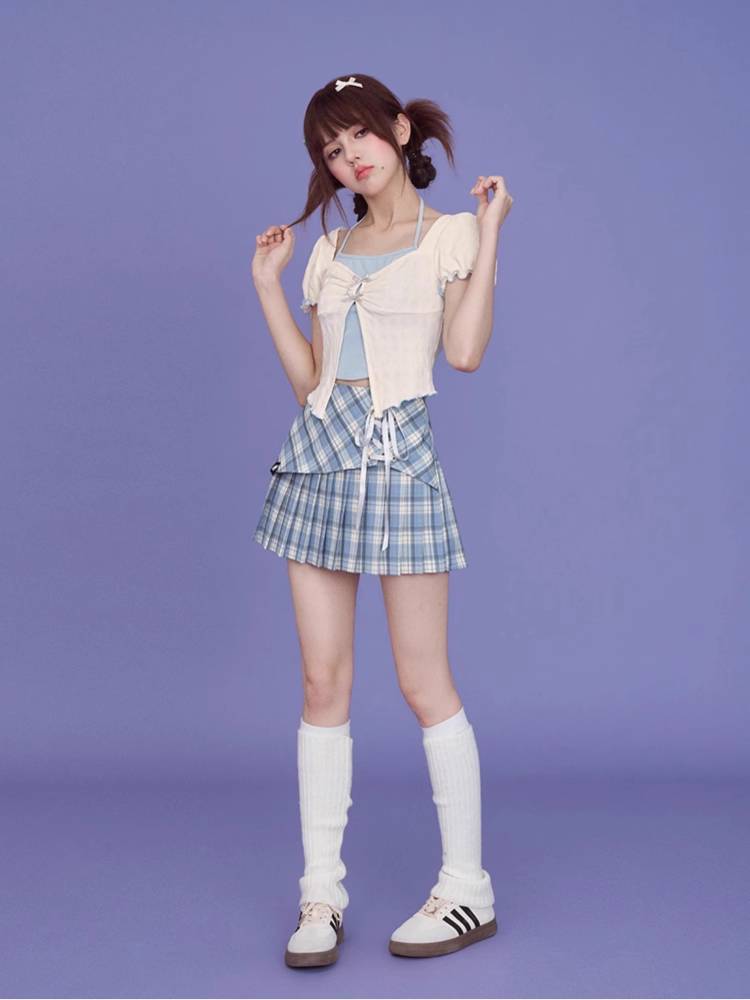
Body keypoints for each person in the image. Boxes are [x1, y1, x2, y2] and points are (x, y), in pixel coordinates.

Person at [250, 73, 513, 967]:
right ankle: (320, 896)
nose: (350, 156)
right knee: (321, 684)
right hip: (319, 460)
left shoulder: (451, 235)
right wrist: (268, 288)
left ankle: (467, 888)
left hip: (400, 458)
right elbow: (311, 384)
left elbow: (465, 353)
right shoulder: (327, 251)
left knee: (421, 680)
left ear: (400, 131)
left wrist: (494, 232)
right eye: (332, 149)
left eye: (360, 134)